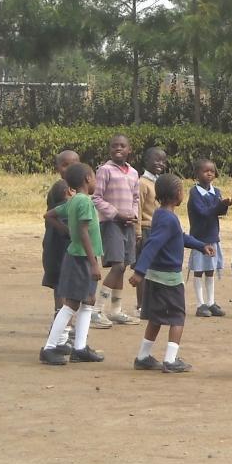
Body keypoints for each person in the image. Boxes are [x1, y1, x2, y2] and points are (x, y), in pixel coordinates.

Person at [129, 174, 215, 373]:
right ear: (177, 194)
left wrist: (201, 246)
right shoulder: (169, 219)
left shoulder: (160, 214)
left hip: (155, 276)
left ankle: (143, 357)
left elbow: (179, 237)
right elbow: (152, 245)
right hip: (169, 280)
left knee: (156, 318)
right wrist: (139, 271)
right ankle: (170, 359)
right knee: (177, 317)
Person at [39, 163, 105, 365]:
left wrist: (67, 231)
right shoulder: (84, 201)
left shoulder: (74, 200)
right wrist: (93, 263)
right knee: (72, 305)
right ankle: (49, 348)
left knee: (88, 301)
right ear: (87, 179)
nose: (95, 181)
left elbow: (49, 215)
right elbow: (84, 231)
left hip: (80, 256)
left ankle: (80, 347)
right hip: (82, 259)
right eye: (94, 177)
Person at [90, 134, 141, 328]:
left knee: (124, 265)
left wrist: (133, 215)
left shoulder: (134, 173)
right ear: (109, 150)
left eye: (122, 146)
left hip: (128, 224)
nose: (118, 148)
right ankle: (97, 310)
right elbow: (96, 198)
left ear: (129, 150)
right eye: (114, 146)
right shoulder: (104, 170)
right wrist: (116, 214)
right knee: (117, 265)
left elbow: (136, 198)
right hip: (111, 223)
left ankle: (116, 311)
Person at [187, 159, 232, 317]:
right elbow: (203, 212)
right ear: (197, 174)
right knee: (199, 271)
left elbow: (219, 212)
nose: (209, 174)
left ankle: (211, 302)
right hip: (199, 238)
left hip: (213, 236)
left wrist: (225, 205)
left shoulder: (216, 191)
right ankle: (200, 304)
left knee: (210, 271)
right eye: (205, 171)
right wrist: (220, 205)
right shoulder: (194, 193)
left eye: (212, 171)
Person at [42, 150, 79, 348]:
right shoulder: (63, 188)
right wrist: (69, 232)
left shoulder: (75, 191)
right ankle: (62, 333)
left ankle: (64, 330)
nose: (70, 168)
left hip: (65, 246)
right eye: (65, 165)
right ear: (58, 168)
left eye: (74, 164)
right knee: (62, 289)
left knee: (65, 289)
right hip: (58, 246)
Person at [135, 147, 167, 313]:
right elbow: (138, 208)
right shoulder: (142, 183)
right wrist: (138, 232)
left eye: (163, 160)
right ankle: (141, 305)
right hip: (146, 229)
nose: (160, 163)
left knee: (157, 268)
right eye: (156, 159)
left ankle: (154, 302)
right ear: (146, 161)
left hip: (159, 230)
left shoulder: (160, 182)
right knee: (143, 268)